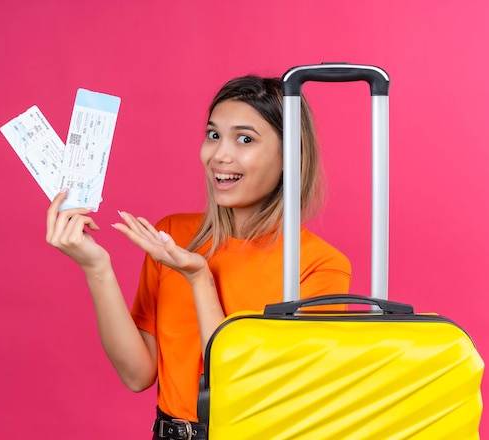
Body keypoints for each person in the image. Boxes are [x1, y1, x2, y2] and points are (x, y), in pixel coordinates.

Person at [46, 75, 351, 440]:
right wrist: (97, 268)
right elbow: (136, 374)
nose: (220, 155)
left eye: (245, 139)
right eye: (213, 135)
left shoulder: (318, 264)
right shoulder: (172, 235)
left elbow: (246, 391)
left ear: (291, 156)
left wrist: (199, 277)